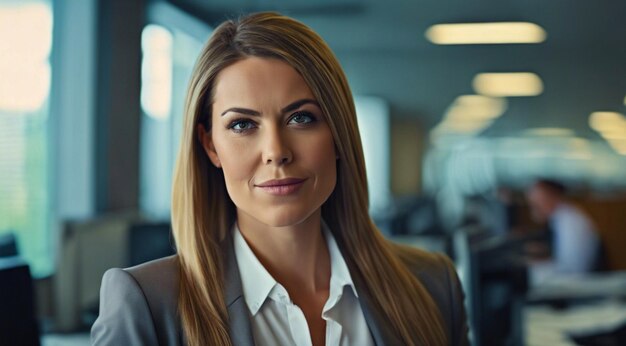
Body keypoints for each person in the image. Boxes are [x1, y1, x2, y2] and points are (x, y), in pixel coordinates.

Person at [91, 12, 468, 346]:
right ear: (210, 147)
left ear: (338, 134)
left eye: (301, 118)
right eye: (242, 125)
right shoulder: (148, 304)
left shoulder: (433, 285)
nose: (275, 151)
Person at [525, 179, 600, 277]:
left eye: (535, 203)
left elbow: (572, 271)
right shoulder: (561, 218)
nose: (533, 207)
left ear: (551, 196)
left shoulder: (570, 223)